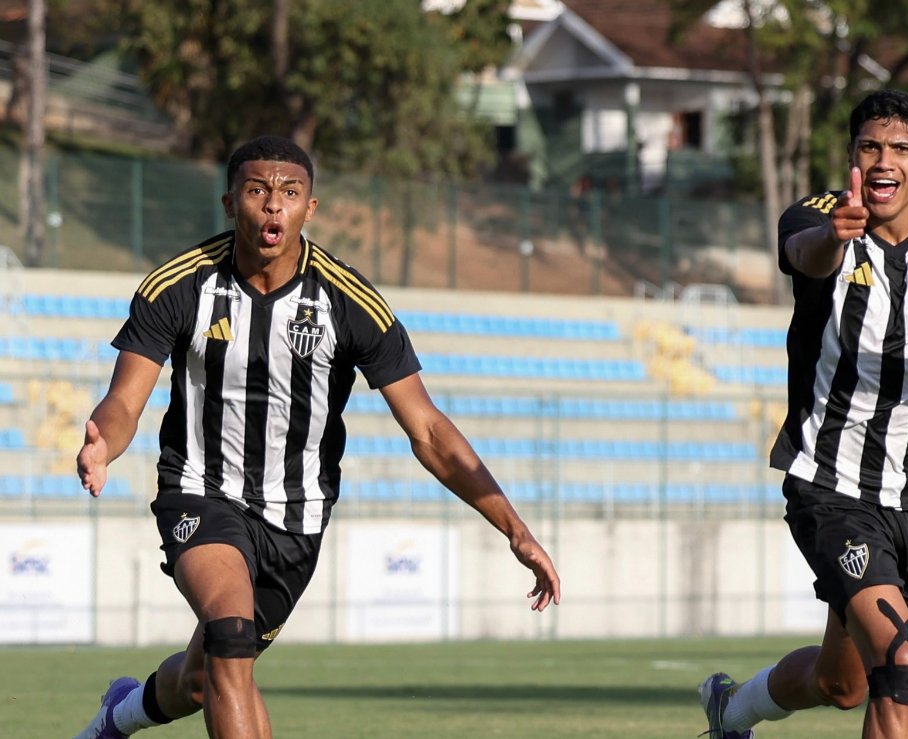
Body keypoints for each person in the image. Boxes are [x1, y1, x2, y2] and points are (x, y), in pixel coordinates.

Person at [73, 135, 561, 739]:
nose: (273, 206)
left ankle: (118, 715)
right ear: (231, 204)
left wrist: (515, 529)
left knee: (205, 682)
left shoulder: (348, 301)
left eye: (289, 193)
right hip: (200, 492)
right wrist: (104, 445)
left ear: (311, 208)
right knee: (231, 637)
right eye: (257, 192)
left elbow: (429, 430)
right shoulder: (178, 285)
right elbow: (125, 400)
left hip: (297, 520)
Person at [699, 89, 908, 738]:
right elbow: (804, 255)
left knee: (843, 683)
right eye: (871, 146)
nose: (884, 160)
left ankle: (731, 708)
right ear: (852, 155)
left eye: (900, 148)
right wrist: (832, 236)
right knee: (899, 663)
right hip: (831, 486)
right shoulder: (821, 216)